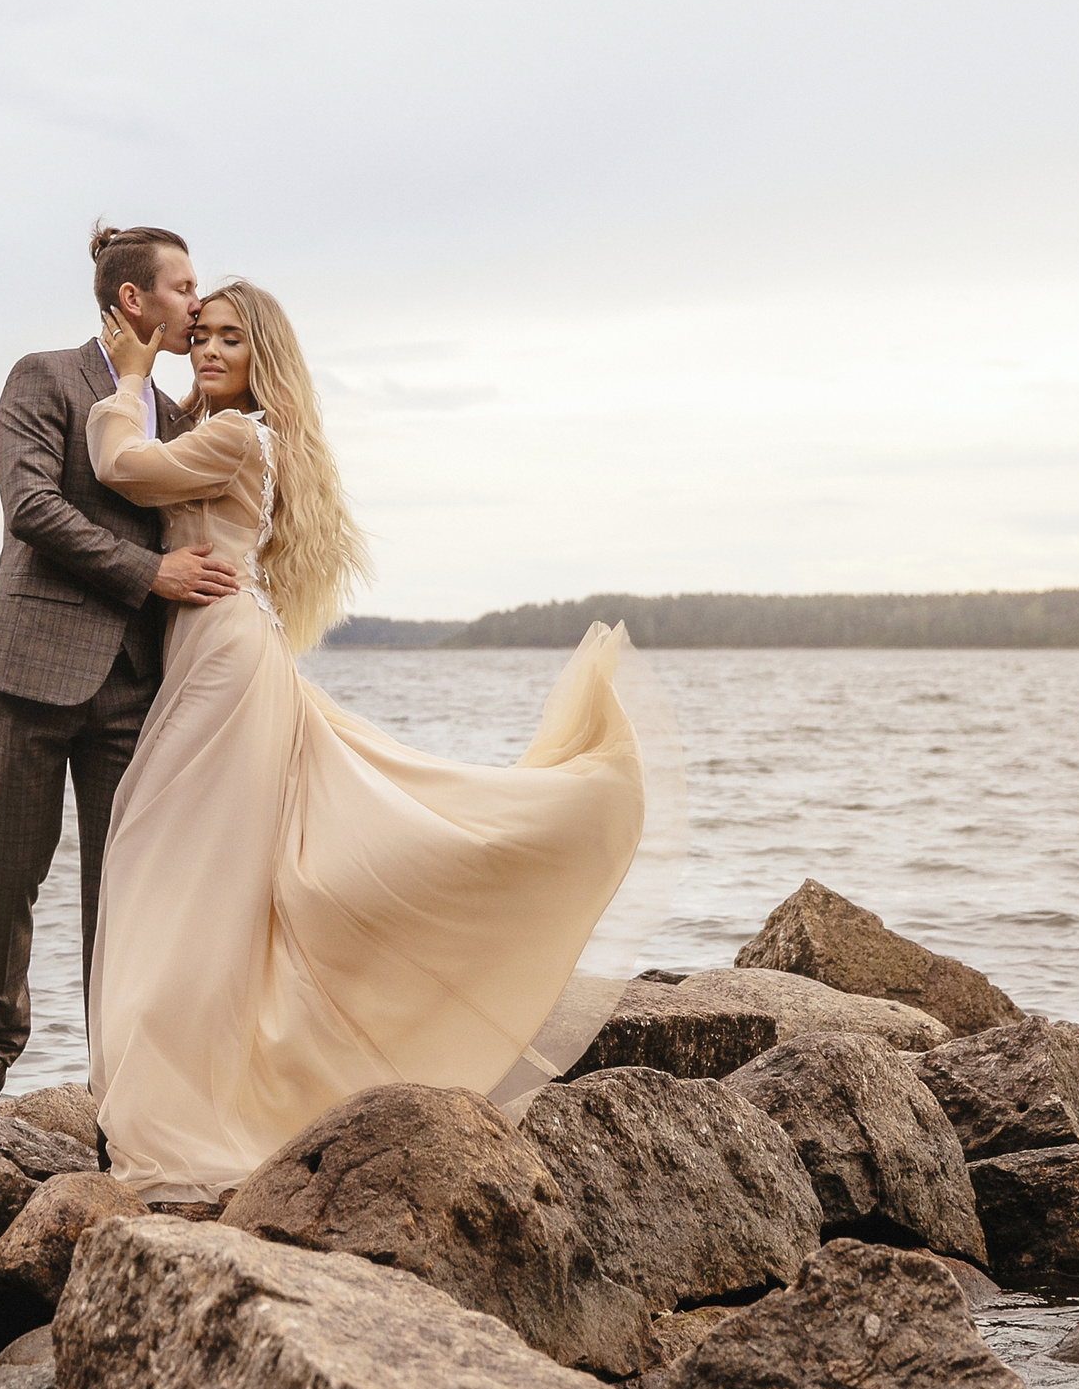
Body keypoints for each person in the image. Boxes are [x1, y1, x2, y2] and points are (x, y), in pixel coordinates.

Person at [84, 279, 682, 1200]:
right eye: (199, 336)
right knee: (186, 866)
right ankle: (189, 1077)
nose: (206, 351)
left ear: (262, 359)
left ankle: (187, 1096)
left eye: (230, 341)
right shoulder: (239, 435)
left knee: (175, 866)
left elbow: (121, 465)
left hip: (225, 660)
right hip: (222, 649)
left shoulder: (239, 435)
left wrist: (127, 376)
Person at [0, 225, 243, 1110]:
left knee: (125, 887)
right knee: (10, 865)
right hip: (33, 663)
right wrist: (151, 572)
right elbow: (31, 505)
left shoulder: (189, 418)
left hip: (135, 681)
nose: (198, 301)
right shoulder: (42, 377)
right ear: (132, 301)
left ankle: (119, 1080)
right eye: (183, 287)